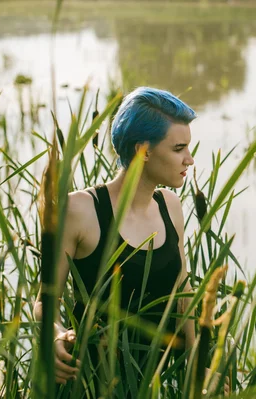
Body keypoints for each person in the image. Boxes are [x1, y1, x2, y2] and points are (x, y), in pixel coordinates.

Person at [33, 87, 198, 394]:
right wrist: (54, 334)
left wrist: (199, 366)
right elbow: (46, 300)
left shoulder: (170, 205)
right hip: (96, 381)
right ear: (143, 151)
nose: (189, 159)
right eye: (179, 149)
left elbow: (183, 292)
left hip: (161, 381)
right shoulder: (81, 210)